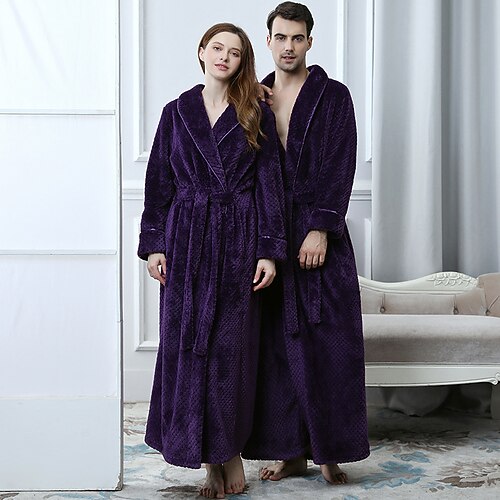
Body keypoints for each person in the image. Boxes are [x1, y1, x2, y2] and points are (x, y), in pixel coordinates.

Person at [137, 23, 286, 499]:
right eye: (217, 48)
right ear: (202, 52)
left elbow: (269, 185)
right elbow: (159, 182)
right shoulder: (176, 112)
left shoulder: (255, 113)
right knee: (188, 349)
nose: (224, 56)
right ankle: (207, 462)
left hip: (238, 238)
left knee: (231, 352)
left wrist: (268, 250)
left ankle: (230, 450)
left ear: (243, 62)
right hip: (186, 241)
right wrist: (155, 243)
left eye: (235, 52)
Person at [242, 2, 370, 484]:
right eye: (281, 37)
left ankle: (330, 451)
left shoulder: (333, 97)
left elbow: (341, 162)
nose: (289, 46)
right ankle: (290, 452)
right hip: (270, 236)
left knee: (329, 344)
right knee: (276, 348)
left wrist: (321, 227)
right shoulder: (254, 99)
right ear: (268, 41)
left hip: (319, 233)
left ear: (310, 42)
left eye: (298, 38)